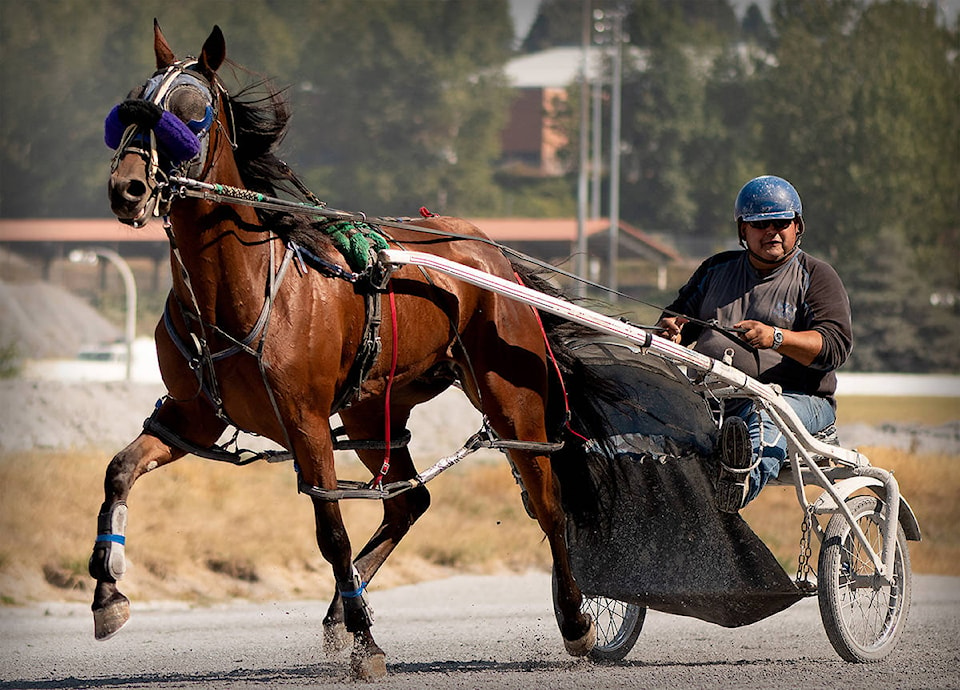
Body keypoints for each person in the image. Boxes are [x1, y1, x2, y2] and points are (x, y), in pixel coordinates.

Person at [656, 175, 853, 512]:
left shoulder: (816, 276)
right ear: (743, 231)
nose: (771, 232)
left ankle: (738, 486)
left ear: (797, 227)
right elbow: (676, 320)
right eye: (760, 224)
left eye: (781, 222)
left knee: (765, 412)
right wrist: (669, 331)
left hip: (799, 400)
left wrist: (775, 337)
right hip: (715, 398)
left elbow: (834, 347)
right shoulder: (715, 270)